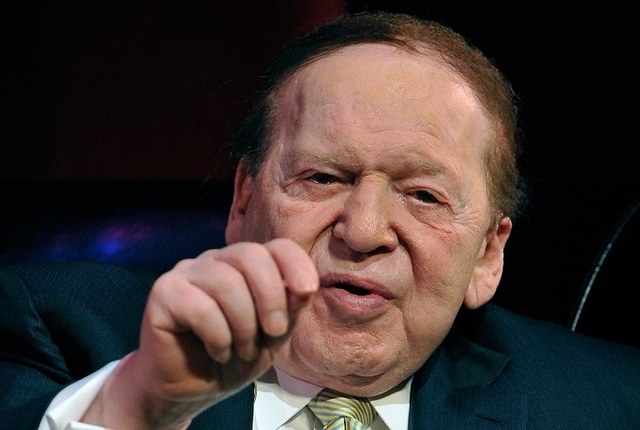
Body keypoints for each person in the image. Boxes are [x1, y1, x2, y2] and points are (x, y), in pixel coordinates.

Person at [1, 11, 639, 430]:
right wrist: (140, 404)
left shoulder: (611, 400)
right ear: (243, 202)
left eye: (423, 196)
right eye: (323, 178)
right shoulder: (56, 326)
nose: (363, 232)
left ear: (488, 256)